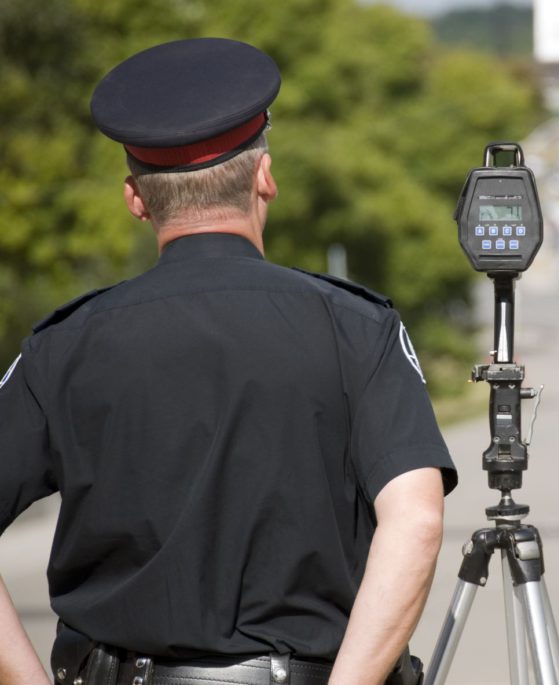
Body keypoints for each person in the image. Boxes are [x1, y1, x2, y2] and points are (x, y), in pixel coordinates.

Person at [0, 37, 457, 685]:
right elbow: (415, 515)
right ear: (265, 176)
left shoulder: (63, 346)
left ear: (135, 199)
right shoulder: (357, 327)